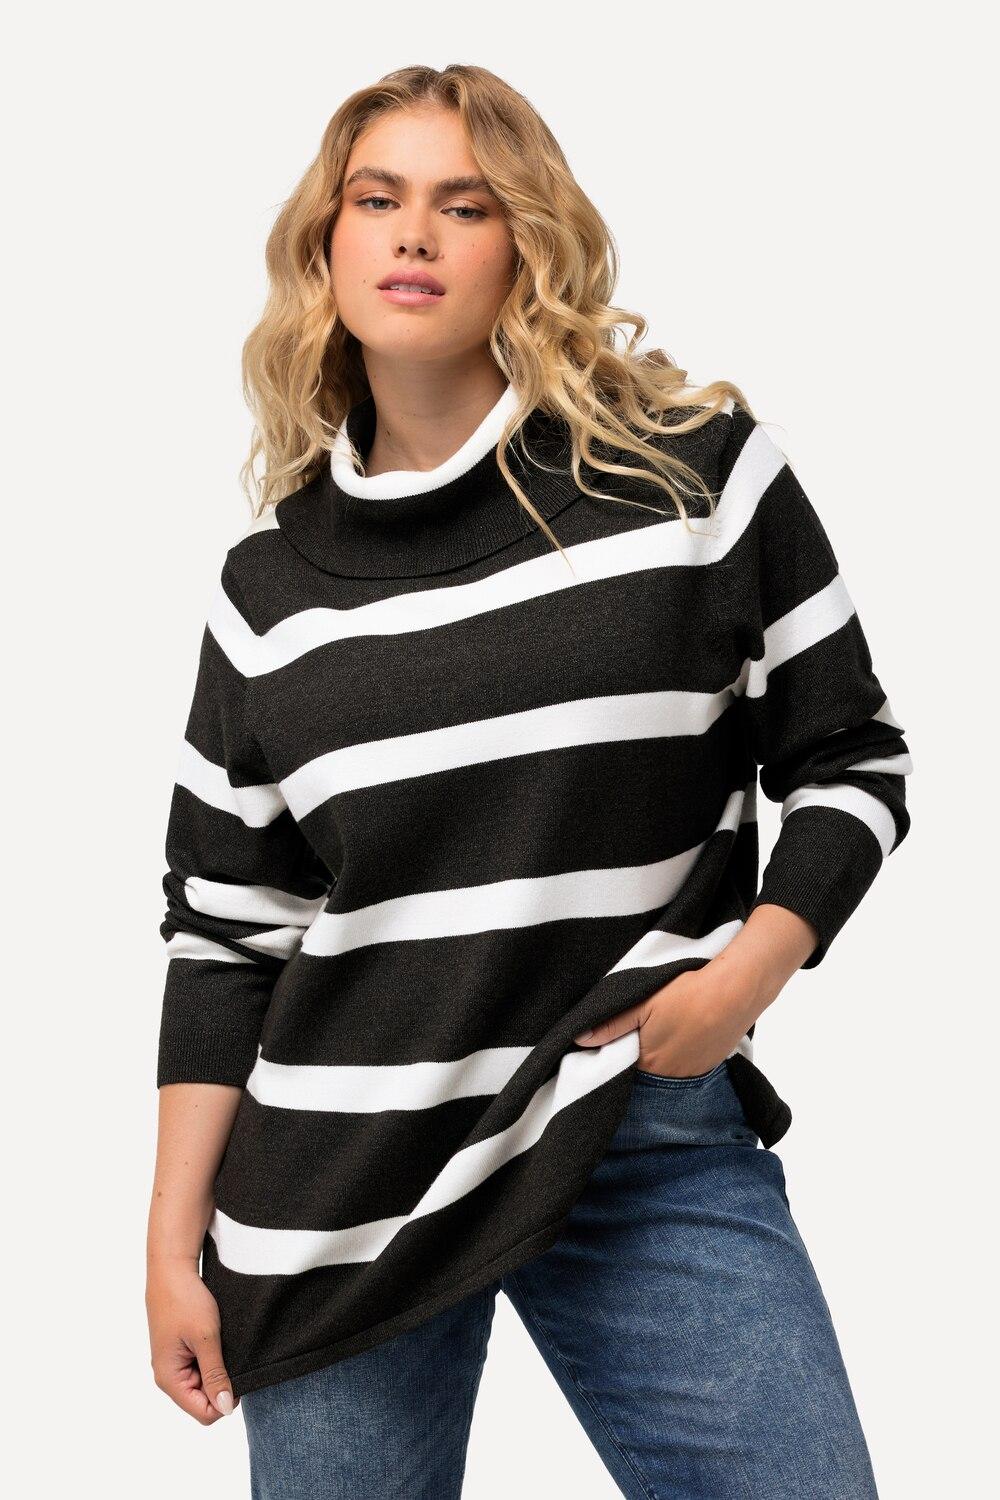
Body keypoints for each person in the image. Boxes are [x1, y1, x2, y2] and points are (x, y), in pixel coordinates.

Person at [145, 63, 912, 1499]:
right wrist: (169, 1247)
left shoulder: (692, 481)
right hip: (335, 1203)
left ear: (528, 246)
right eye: (377, 199)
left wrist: (745, 977)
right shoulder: (270, 595)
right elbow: (226, 933)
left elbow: (850, 755)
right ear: (326, 245)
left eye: (465, 204)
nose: (413, 234)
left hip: (636, 1133)